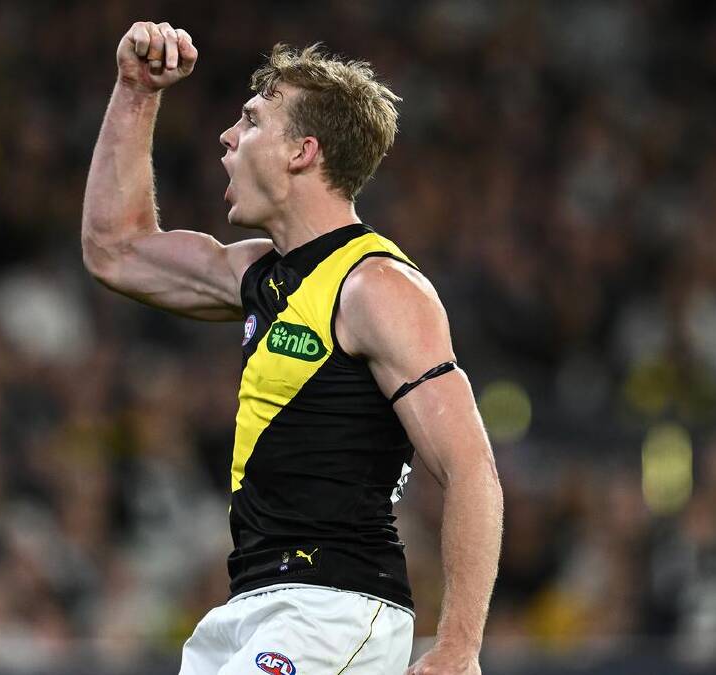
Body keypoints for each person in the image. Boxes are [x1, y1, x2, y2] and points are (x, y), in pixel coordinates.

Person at [81, 20, 503, 675]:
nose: (226, 136)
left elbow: (471, 465)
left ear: (303, 151)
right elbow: (115, 249)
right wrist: (136, 91)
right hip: (252, 606)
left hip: (333, 609)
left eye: (250, 120)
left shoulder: (377, 286)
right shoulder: (257, 274)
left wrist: (458, 644)